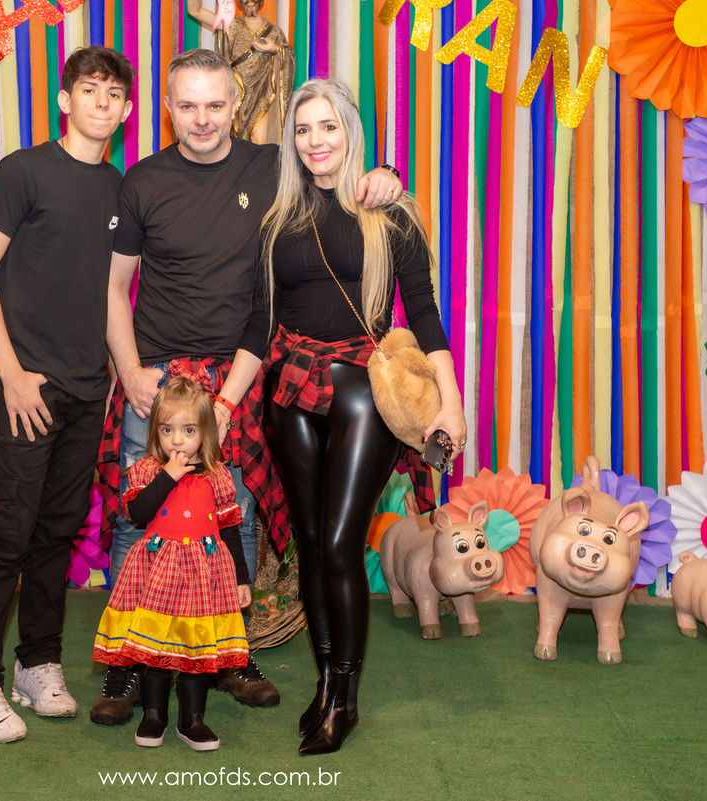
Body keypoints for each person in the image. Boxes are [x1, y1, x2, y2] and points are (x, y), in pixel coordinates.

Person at [91, 49, 404, 726]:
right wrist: (130, 370)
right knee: (137, 519)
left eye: (215, 104)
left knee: (234, 516)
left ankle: (230, 655)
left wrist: (388, 175)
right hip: (158, 379)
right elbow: (114, 287)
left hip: (240, 372)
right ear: (167, 109)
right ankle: (125, 666)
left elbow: (340, 174)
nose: (202, 119)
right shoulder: (142, 180)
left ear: (238, 105)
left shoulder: (274, 167)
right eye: (188, 105)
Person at [216, 78, 468, 755]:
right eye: (303, 129)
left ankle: (346, 698)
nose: (315, 140)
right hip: (291, 388)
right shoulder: (278, 222)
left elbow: (425, 311)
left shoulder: (390, 213)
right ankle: (326, 681)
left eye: (328, 126)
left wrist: (451, 402)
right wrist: (225, 403)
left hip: (365, 390)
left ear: (350, 131)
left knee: (338, 543)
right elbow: (258, 323)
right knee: (309, 541)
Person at [0, 46, 135, 744]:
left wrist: (119, 375)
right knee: (7, 532)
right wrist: (10, 372)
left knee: (58, 532)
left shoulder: (118, 188)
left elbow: (112, 293)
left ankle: (37, 664)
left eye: (113, 94)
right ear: (65, 99)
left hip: (89, 391)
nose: (101, 103)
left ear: (126, 109)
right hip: (27, 387)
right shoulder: (23, 170)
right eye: (90, 90)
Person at [93, 375, 252, 751]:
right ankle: (154, 717)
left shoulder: (217, 477)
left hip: (203, 576)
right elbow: (138, 512)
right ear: (156, 431)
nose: (177, 440)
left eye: (188, 430)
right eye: (167, 430)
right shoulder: (149, 471)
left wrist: (241, 579)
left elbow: (230, 530)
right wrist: (168, 476)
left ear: (205, 433)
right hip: (158, 574)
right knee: (156, 654)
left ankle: (192, 721)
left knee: (197, 654)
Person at [186, 0, 295, 145]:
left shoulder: (274, 32)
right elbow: (195, 11)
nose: (249, 2)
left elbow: (289, 58)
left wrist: (275, 49)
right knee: (236, 142)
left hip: (263, 95)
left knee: (258, 142)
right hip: (237, 95)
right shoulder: (232, 26)